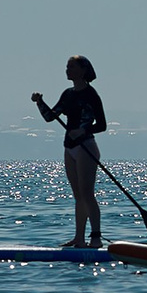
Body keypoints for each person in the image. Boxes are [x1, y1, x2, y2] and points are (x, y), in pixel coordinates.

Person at [31, 56, 107, 248]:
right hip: (70, 147)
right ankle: (79, 238)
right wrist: (40, 102)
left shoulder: (91, 94)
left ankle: (96, 238)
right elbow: (50, 117)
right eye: (67, 67)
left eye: (72, 67)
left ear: (83, 70)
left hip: (86, 146)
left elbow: (102, 125)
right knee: (78, 196)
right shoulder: (67, 94)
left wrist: (83, 130)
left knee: (87, 193)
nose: (67, 70)